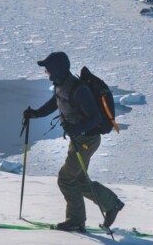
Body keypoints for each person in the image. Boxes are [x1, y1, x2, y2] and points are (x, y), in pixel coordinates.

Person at [23, 51, 124, 232]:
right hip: (80, 139)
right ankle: (112, 204)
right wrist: (35, 113)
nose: (47, 74)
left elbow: (95, 118)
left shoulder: (79, 91)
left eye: (48, 70)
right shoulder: (62, 85)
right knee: (78, 179)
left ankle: (76, 221)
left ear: (57, 70)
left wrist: (76, 129)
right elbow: (56, 103)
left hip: (87, 140)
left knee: (66, 179)